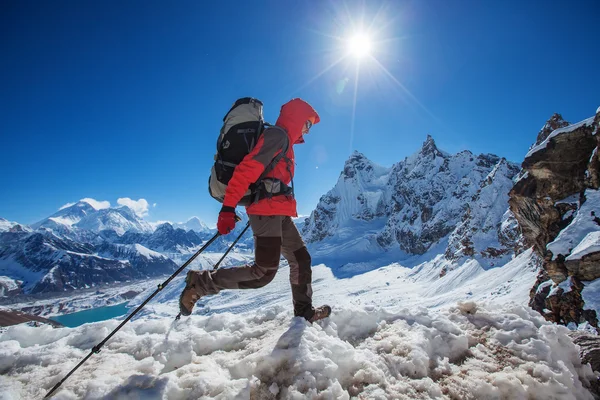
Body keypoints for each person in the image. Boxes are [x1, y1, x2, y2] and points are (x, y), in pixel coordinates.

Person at [179, 98, 331, 323]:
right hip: (266, 211)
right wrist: (228, 207)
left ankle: (304, 313)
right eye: (307, 124)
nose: (307, 131)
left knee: (301, 259)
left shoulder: (285, 142)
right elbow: (246, 170)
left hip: (278, 212)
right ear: (297, 118)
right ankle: (198, 283)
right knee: (263, 273)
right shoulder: (277, 137)